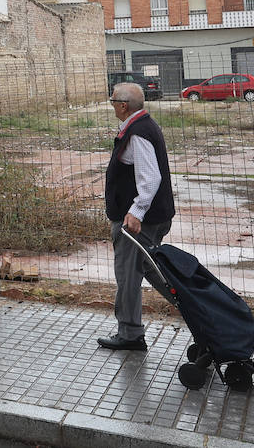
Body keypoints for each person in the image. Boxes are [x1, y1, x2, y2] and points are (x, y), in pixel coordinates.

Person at [97, 82, 175, 352]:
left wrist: (135, 211)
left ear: (123, 105)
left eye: (112, 101)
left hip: (139, 222)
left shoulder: (138, 132)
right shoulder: (142, 125)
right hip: (151, 217)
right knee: (158, 274)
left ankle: (130, 334)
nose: (111, 105)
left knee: (129, 276)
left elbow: (150, 177)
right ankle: (198, 312)